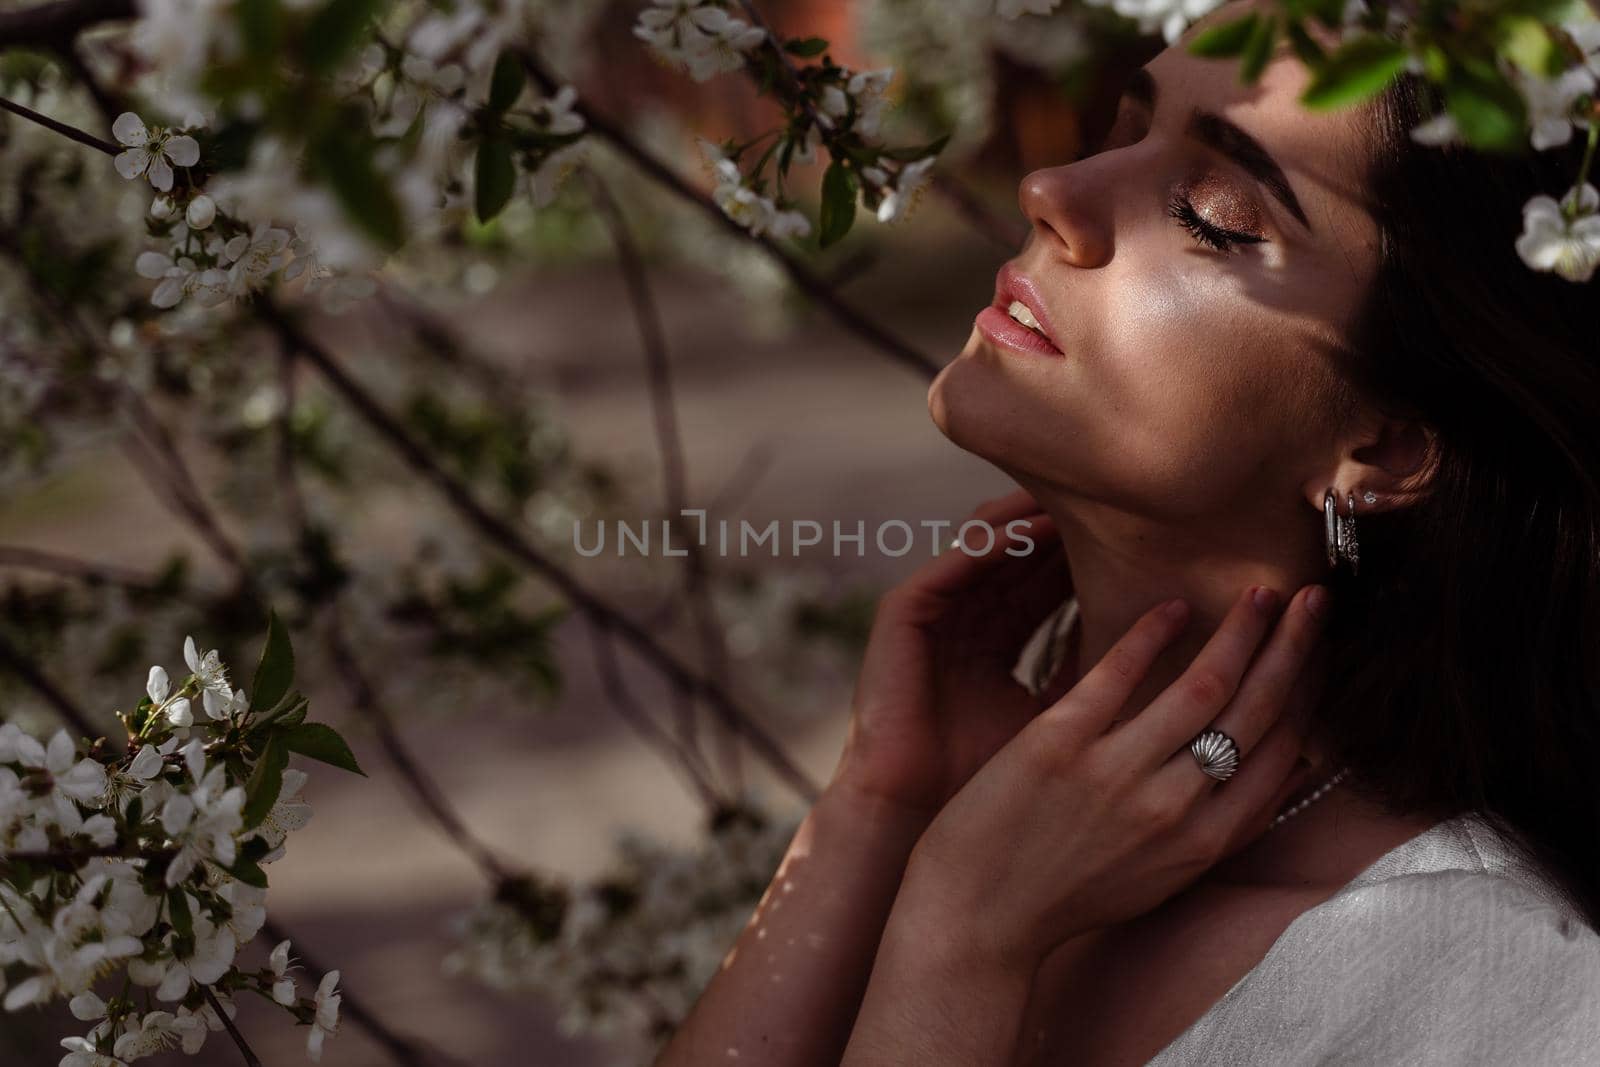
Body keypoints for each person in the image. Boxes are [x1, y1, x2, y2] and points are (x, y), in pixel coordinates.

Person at [654, 2, 1600, 1064]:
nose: (1051, 190)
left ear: (1386, 447)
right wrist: (882, 800)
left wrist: (960, 942)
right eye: (1122, 132)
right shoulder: (981, 820)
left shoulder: (1483, 983)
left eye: (1207, 211)